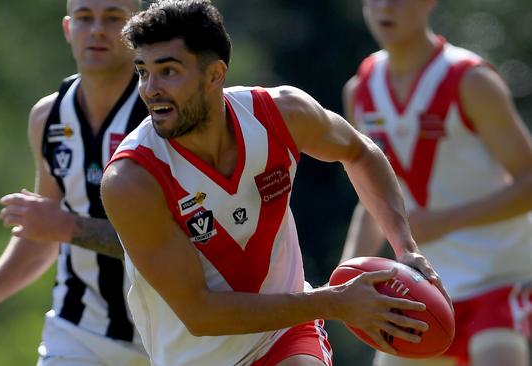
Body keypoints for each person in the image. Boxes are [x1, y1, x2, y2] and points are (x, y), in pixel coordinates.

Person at [100, 1, 448, 365]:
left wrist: (405, 248)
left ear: (215, 75)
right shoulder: (132, 180)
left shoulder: (281, 114)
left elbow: (360, 153)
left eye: (168, 71)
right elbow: (200, 313)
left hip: (287, 335)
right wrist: (335, 301)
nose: (150, 89)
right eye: (143, 72)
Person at [0, 1, 150, 365]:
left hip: (166, 335)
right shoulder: (48, 117)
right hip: (77, 332)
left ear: (136, 30)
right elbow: (44, 236)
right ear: (68, 29)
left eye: (113, 18)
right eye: (84, 18)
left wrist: (66, 226)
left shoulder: (163, 113)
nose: (96, 29)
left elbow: (179, 241)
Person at [339, 1, 532, 366]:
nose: (384, 8)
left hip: (497, 272)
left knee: (500, 356)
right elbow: (370, 198)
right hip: (421, 284)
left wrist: (443, 221)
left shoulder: (472, 79)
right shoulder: (359, 91)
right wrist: (344, 276)